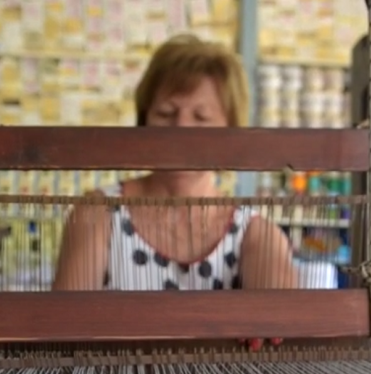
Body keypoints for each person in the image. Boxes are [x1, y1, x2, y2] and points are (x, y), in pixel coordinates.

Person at [52, 34, 296, 348]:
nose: (180, 129)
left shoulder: (255, 233)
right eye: (166, 114)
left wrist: (273, 310)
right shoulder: (98, 214)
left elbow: (278, 321)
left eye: (201, 117)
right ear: (144, 123)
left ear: (231, 132)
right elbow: (63, 332)